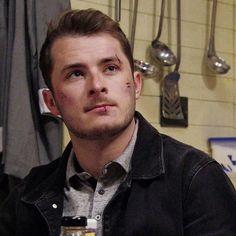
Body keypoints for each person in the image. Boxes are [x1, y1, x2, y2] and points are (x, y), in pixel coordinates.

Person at [0, 8, 236, 236]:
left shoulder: (196, 179)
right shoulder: (27, 197)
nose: (96, 85)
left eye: (110, 68)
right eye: (76, 74)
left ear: (136, 85)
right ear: (51, 102)